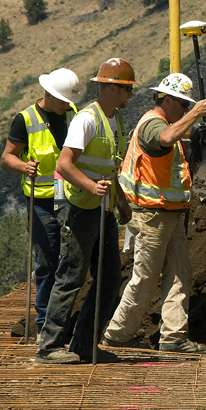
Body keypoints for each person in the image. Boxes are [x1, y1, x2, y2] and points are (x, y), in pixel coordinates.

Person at [102, 73, 206, 353]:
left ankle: (174, 337)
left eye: (189, 106)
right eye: (184, 105)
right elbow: (164, 139)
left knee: (179, 276)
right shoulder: (153, 123)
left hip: (171, 214)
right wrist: (195, 115)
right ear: (168, 100)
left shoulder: (169, 125)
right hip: (150, 216)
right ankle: (117, 333)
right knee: (145, 279)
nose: (186, 110)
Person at [36, 58, 135, 364]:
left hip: (101, 207)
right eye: (126, 90)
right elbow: (64, 165)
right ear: (111, 87)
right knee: (71, 276)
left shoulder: (117, 122)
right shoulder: (86, 120)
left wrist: (119, 199)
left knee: (108, 278)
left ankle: (84, 344)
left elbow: (111, 167)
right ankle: (49, 346)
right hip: (79, 207)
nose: (130, 96)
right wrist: (93, 188)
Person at [1, 68, 82, 332]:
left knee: (68, 259)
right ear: (48, 94)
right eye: (62, 100)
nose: (66, 105)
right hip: (42, 202)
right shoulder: (25, 119)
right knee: (47, 261)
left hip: (70, 198)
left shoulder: (72, 115)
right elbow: (7, 157)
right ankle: (44, 320)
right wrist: (23, 168)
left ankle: (62, 317)